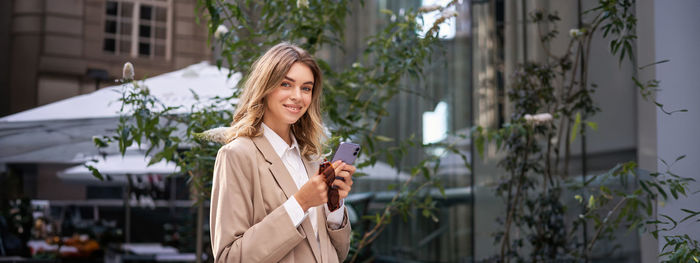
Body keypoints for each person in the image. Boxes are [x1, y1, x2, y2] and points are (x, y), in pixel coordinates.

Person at [210, 42, 355, 263]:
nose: (298, 96)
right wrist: (300, 203)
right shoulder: (237, 155)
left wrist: (334, 206)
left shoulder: (312, 159)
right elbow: (230, 258)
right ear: (265, 87)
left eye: (306, 88)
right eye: (286, 84)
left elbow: (339, 253)